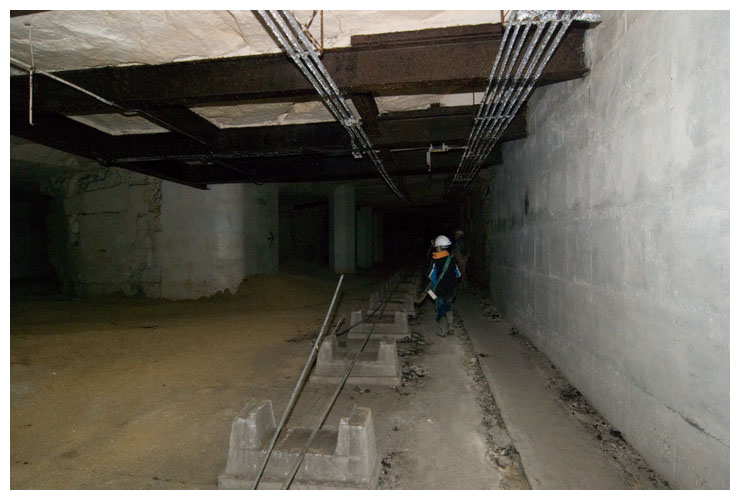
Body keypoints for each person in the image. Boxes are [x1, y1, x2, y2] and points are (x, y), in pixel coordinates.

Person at [427, 234, 461, 337]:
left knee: (440, 309)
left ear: (438, 247)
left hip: (440, 290)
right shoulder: (453, 260)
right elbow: (458, 274)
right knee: (449, 307)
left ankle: (442, 331)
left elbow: (430, 276)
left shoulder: (435, 261)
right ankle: (451, 327)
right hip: (451, 290)